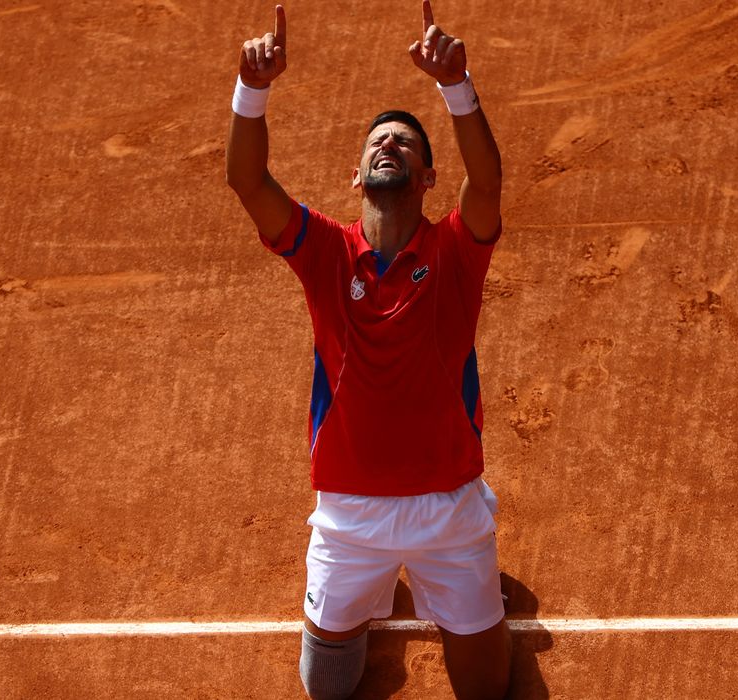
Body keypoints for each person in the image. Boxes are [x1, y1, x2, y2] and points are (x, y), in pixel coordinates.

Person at [225, 2, 508, 698]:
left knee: (487, 692)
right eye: (378, 141)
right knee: (328, 688)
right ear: (356, 178)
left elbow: (490, 182)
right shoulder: (324, 249)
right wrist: (251, 90)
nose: (389, 145)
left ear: (429, 178)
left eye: (406, 144)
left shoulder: (454, 251)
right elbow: (248, 182)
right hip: (349, 514)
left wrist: (456, 85)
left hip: (448, 507)